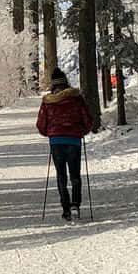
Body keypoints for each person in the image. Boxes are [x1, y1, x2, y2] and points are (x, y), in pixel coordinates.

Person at [36, 68, 94, 221]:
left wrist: (49, 132)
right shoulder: (76, 98)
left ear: (53, 85)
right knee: (75, 174)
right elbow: (88, 119)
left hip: (56, 141)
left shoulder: (47, 102)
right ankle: (76, 204)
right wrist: (82, 131)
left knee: (61, 175)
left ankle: (66, 208)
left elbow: (41, 124)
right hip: (73, 140)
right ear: (66, 82)